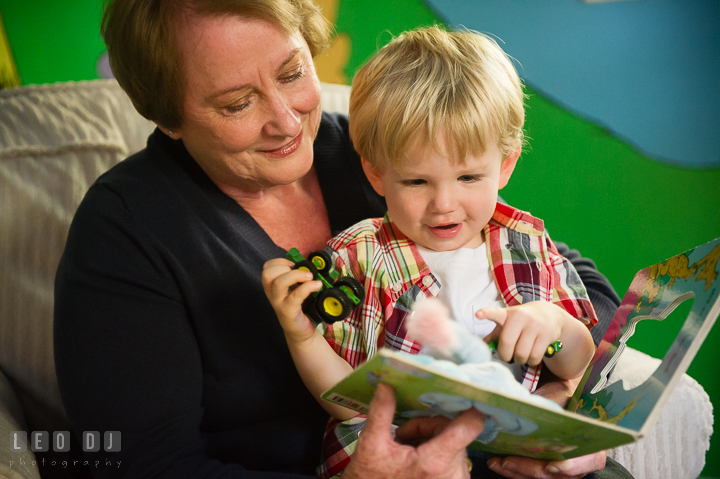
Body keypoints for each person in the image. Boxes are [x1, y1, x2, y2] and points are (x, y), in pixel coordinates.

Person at [52, 0, 624, 478]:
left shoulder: (380, 151)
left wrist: (557, 386)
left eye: (292, 72)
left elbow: (579, 285)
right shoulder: (127, 230)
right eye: (237, 103)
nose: (286, 119)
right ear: (167, 117)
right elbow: (139, 464)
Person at [262, 27, 632, 479]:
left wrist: (556, 327)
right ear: (376, 174)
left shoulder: (527, 244)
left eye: (470, 178)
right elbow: (347, 400)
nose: (444, 204)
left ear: (507, 164)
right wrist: (302, 338)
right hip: (406, 454)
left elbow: (575, 365)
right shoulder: (361, 257)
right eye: (416, 182)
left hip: (515, 443)